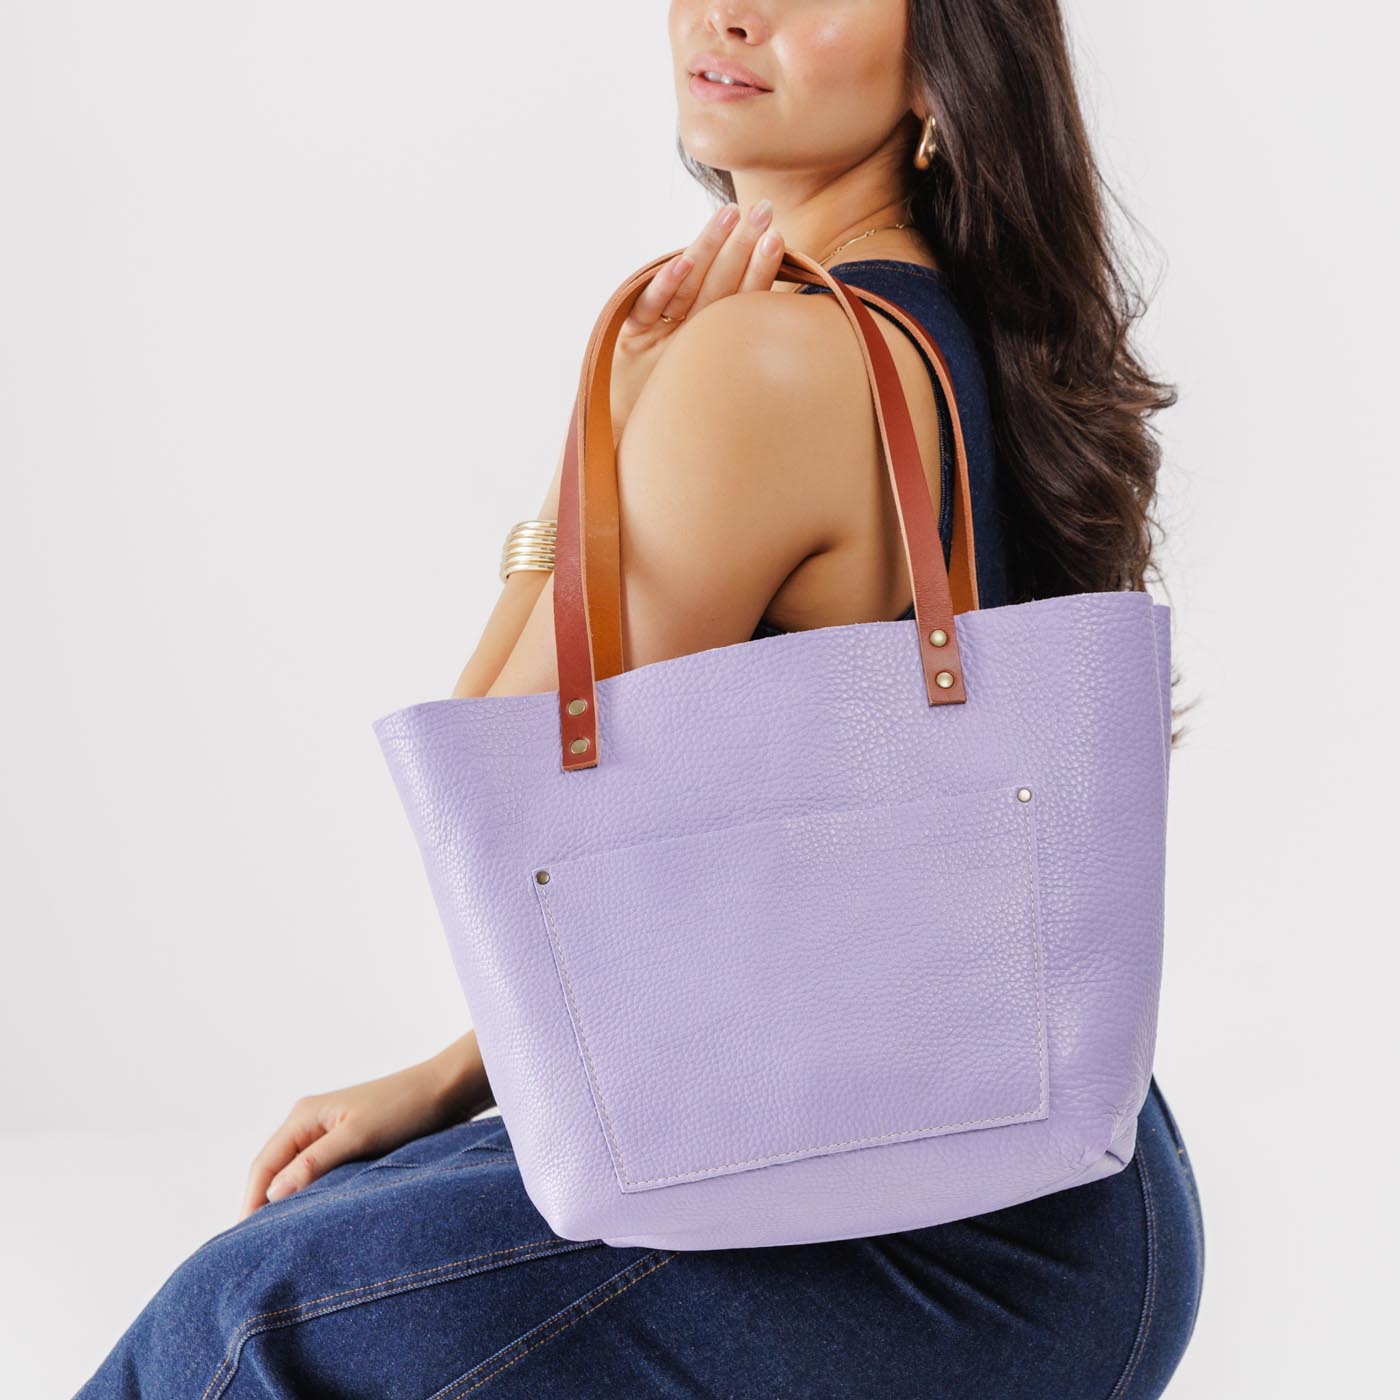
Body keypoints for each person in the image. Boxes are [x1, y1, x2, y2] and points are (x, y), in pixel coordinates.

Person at [76, 2, 1205, 1395]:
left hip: (938, 1248)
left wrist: (603, 432)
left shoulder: (769, 360)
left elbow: (497, 799)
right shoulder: (932, 314)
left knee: (248, 1320)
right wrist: (451, 1078)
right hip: (1052, 1176)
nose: (733, 9)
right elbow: (772, 911)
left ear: (943, 64)